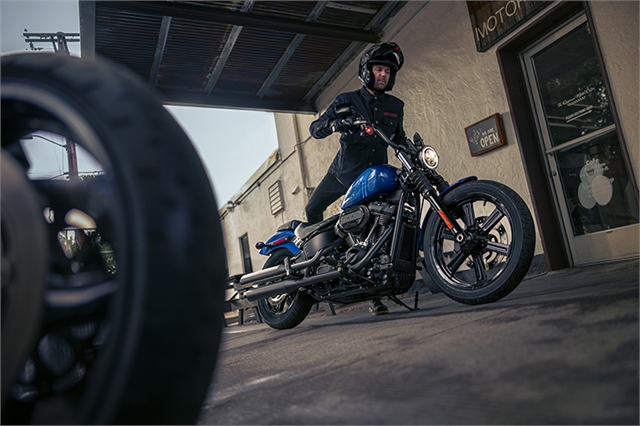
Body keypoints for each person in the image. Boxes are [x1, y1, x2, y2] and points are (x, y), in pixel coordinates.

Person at [305, 42, 406, 316]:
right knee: (312, 209)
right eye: (379, 69)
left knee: (374, 233)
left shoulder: (395, 106)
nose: (383, 74)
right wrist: (333, 124)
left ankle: (374, 296)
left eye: (387, 70)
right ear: (367, 72)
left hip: (374, 180)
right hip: (343, 174)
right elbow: (315, 129)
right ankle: (316, 264)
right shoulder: (346, 100)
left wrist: (414, 151)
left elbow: (400, 139)